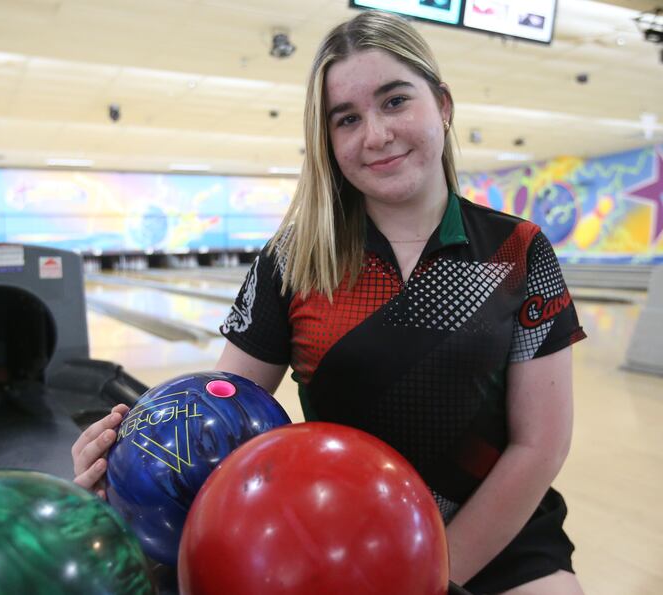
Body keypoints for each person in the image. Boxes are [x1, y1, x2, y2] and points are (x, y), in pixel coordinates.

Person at [72, 10, 586, 594]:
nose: (375, 134)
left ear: (442, 105)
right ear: (329, 141)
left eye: (395, 101)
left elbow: (539, 445)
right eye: (346, 119)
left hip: (497, 541)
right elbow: (215, 427)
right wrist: (127, 461)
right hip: (333, 542)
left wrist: (433, 574)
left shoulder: (519, 250)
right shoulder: (294, 259)